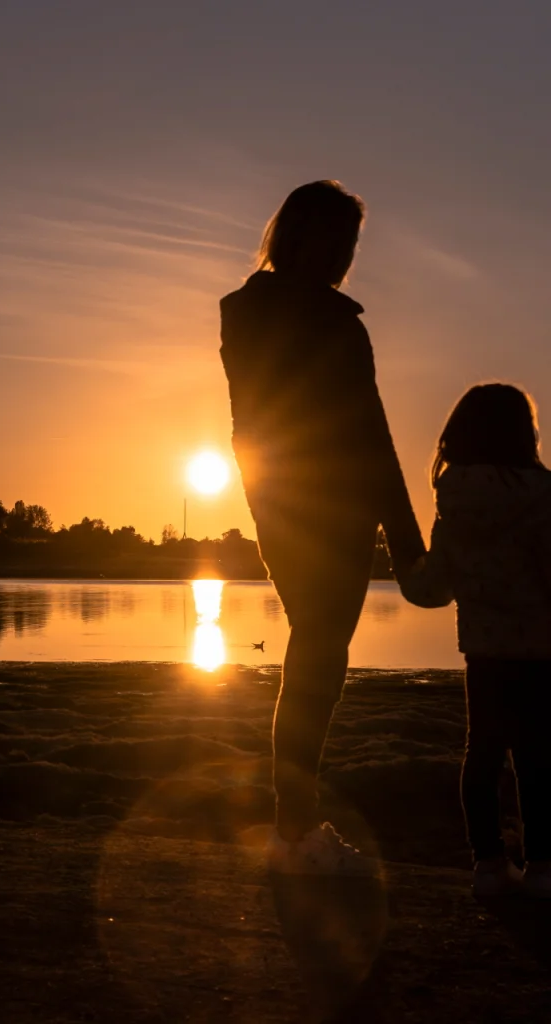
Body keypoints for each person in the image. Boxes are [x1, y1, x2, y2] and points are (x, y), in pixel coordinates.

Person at [219, 181, 424, 874]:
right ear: (299, 235)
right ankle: (295, 830)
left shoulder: (274, 313)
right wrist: (408, 543)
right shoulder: (292, 317)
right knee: (317, 659)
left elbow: (366, 431)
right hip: (308, 501)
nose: (345, 256)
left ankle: (293, 827)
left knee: (318, 657)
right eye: (337, 239)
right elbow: (363, 431)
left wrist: (401, 539)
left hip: (296, 499)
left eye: (352, 244)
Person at [400, 383, 551, 898]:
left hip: (484, 652)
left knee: (482, 754)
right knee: (538, 758)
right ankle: (543, 868)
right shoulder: (544, 494)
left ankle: (487, 864)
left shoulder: (456, 502)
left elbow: (434, 590)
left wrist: (407, 569)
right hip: (540, 650)